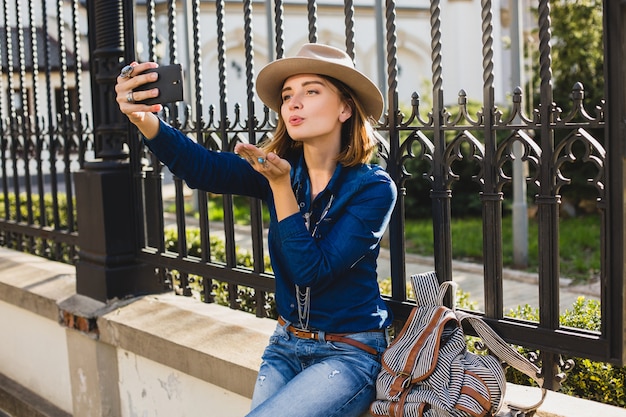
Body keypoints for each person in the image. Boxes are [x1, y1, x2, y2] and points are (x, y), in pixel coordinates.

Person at [116, 43, 397, 417]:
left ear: (345, 108)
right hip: (285, 344)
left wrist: (280, 187)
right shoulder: (280, 168)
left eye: (311, 91)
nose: (293, 103)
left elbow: (310, 271)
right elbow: (203, 168)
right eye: (287, 95)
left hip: (350, 353)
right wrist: (144, 120)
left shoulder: (373, 188)